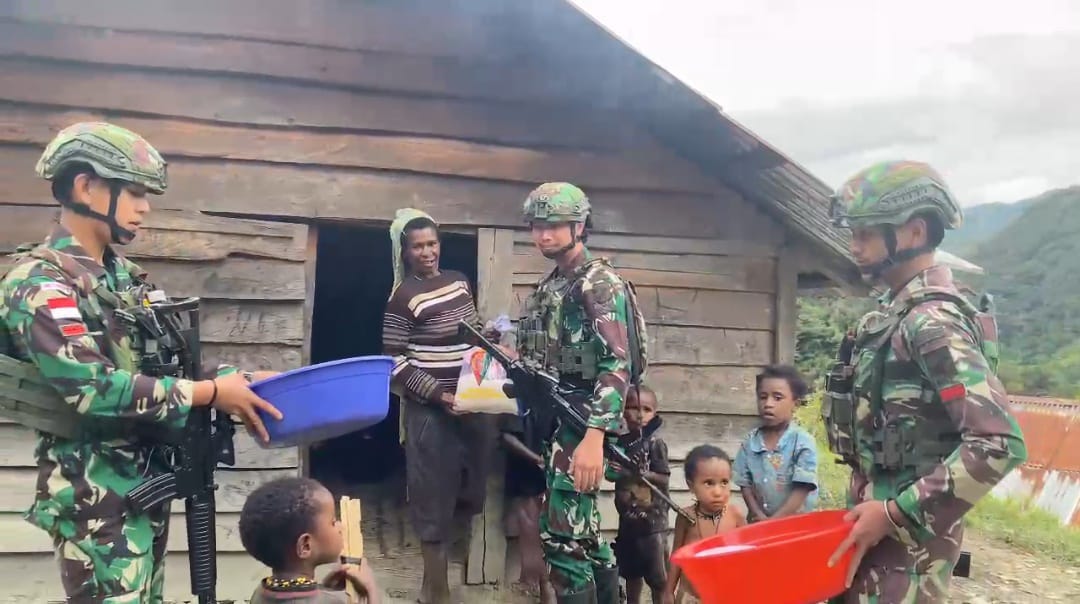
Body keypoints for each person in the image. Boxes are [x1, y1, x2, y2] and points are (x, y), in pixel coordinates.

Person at [0, 122, 283, 602]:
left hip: (143, 484)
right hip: (94, 497)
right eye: (133, 192)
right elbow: (91, 386)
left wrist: (239, 380)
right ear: (85, 186)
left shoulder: (126, 280)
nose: (145, 207)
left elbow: (166, 371)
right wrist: (210, 393)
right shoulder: (39, 283)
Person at [823, 160, 1028, 603]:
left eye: (865, 234)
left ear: (913, 232)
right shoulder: (894, 313)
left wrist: (896, 513)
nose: (853, 246)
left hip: (908, 557)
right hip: (875, 544)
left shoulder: (931, 322)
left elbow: (997, 443)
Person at [513, 182, 649, 604]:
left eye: (553, 225)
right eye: (537, 225)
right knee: (584, 537)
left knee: (561, 541)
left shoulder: (597, 283)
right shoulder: (555, 284)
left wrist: (595, 437)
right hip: (560, 421)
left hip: (583, 425)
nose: (543, 235)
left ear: (579, 226)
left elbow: (616, 363)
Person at [382, 209, 494, 604]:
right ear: (406, 252)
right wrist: (439, 395)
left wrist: (493, 337)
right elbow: (393, 360)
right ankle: (438, 591)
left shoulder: (459, 282)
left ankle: (439, 582)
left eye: (432, 243)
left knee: (471, 488)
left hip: (472, 404)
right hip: (431, 412)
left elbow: (473, 330)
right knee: (432, 495)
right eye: (418, 246)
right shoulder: (403, 297)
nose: (427, 252)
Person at [240, 476, 381, 604]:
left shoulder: (260, 593)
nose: (340, 526)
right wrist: (371, 590)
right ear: (305, 546)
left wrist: (324, 587)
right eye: (332, 522)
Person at [733, 364, 819, 522]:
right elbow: (745, 485)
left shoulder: (802, 442)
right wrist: (758, 515)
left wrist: (774, 522)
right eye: (763, 397)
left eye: (777, 398)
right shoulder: (749, 443)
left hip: (795, 526)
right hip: (759, 524)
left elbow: (802, 489)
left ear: (796, 404)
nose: (768, 404)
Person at [663, 445, 746, 604]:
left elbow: (748, 556)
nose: (718, 491)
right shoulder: (686, 517)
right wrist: (668, 591)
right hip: (691, 596)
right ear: (691, 485)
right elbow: (677, 557)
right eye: (709, 483)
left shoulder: (735, 516)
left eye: (724, 482)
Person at [611, 385, 670, 604]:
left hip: (652, 523)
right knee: (631, 574)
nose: (639, 414)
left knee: (657, 579)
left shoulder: (655, 444)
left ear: (655, 413)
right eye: (633, 408)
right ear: (623, 411)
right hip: (628, 522)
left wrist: (640, 473)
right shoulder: (621, 444)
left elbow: (663, 478)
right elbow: (612, 476)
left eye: (646, 409)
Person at [499, 406, 556, 603]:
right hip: (538, 467)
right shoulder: (549, 397)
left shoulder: (520, 399)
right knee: (535, 528)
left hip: (530, 469)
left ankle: (535, 581)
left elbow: (507, 437)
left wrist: (537, 460)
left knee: (530, 528)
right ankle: (535, 580)